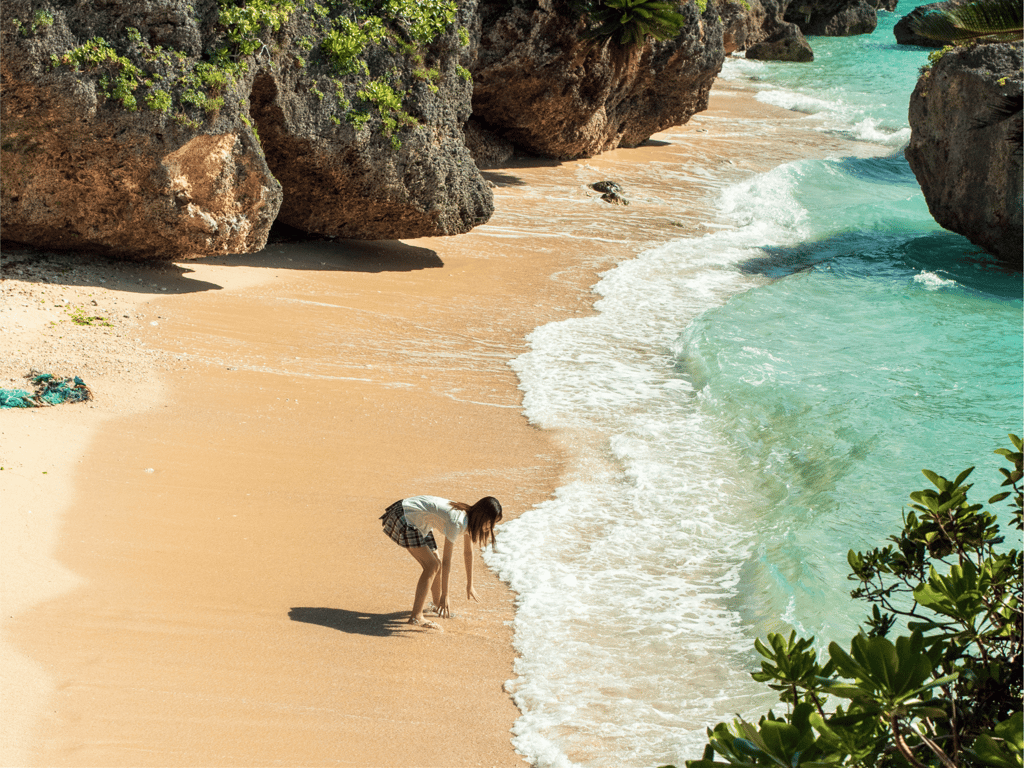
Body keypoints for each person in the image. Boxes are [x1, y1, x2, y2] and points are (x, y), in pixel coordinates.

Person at [380, 495, 502, 631]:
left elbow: (468, 553)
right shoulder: (457, 522)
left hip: (418, 519)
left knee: (434, 562)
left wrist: (470, 584)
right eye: (492, 522)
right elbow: (446, 562)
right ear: (483, 516)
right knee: (433, 565)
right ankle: (416, 617)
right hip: (405, 516)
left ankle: (438, 605)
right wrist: (446, 594)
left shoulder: (469, 520)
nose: (492, 526)